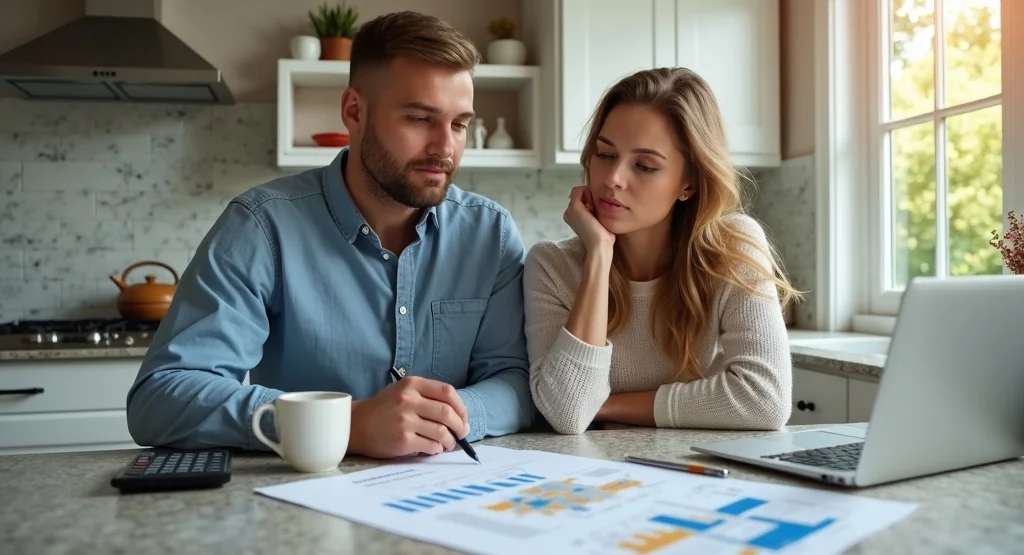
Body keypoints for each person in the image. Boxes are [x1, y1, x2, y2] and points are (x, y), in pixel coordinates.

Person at [126, 11, 534, 458]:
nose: (445, 148)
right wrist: (345, 424)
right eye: (420, 119)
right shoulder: (261, 226)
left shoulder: (489, 233)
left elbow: (515, 380)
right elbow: (160, 398)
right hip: (301, 510)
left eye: (459, 125)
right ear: (354, 111)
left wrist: (445, 417)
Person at [524, 67, 800, 435]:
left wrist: (605, 406)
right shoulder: (551, 266)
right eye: (605, 155)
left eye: (645, 166)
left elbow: (764, 400)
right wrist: (598, 258)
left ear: (688, 183)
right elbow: (568, 414)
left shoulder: (733, 246)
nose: (613, 179)